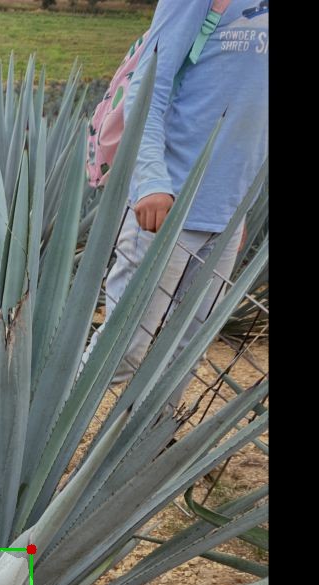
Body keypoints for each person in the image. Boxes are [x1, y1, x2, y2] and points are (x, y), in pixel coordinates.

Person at [80, 0, 268, 399]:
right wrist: (151, 180)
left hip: (226, 214)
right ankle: (42, 435)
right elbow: (149, 85)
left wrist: (241, 208)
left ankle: (153, 438)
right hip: (167, 204)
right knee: (121, 352)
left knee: (183, 354)